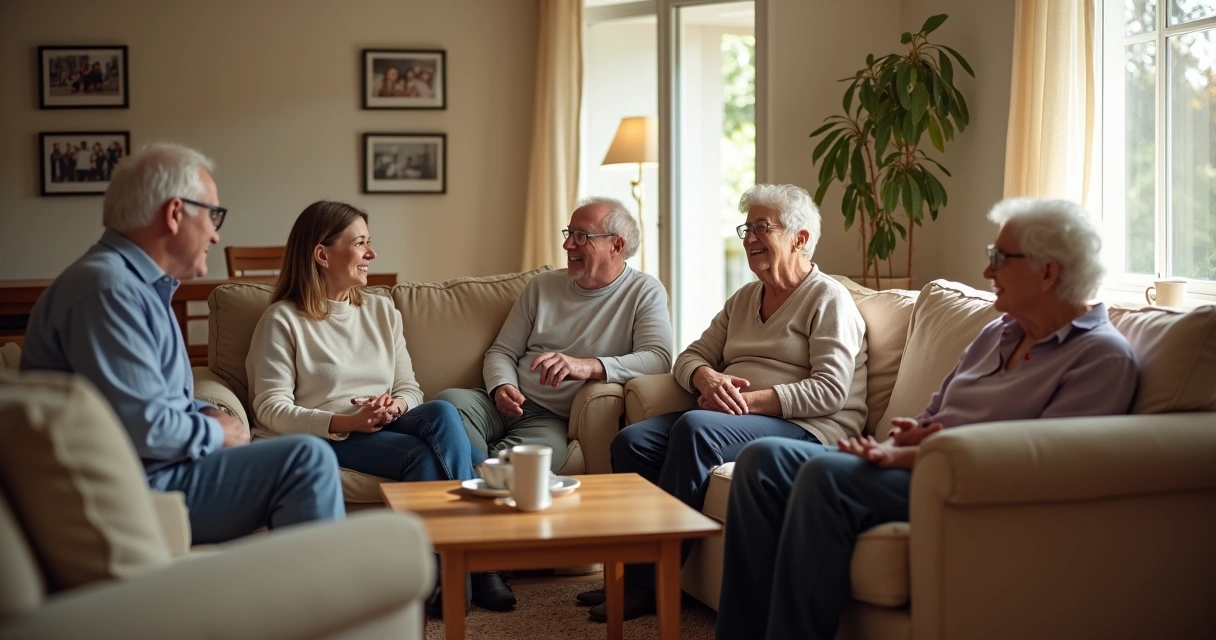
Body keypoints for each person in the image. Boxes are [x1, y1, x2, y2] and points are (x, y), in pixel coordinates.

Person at [715, 197, 1139, 640]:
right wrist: (902, 439)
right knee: (763, 461)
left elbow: (1047, 466)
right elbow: (938, 409)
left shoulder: (1100, 357)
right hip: (918, 462)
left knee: (825, 475)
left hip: (965, 485)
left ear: (1048, 272)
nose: (988, 272)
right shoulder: (999, 331)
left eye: (999, 259)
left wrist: (916, 455)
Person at [20, 143, 345, 544]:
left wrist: (207, 411)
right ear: (175, 213)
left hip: (155, 470)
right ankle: (324, 599)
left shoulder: (136, 288)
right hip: (139, 485)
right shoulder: (107, 291)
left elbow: (154, 399)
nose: (215, 234)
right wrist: (217, 433)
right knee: (306, 459)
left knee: (298, 457)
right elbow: (146, 427)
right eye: (212, 215)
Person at [583, 183, 869, 622]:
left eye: (762, 227)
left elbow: (830, 389)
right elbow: (690, 355)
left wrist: (746, 402)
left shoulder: (828, 299)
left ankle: (647, 583)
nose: (749, 238)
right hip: (735, 418)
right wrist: (706, 376)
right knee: (632, 441)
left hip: (807, 428)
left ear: (800, 238)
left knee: (698, 428)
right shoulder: (743, 299)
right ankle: (631, 570)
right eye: (746, 227)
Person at [244, 200, 515, 613]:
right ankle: (474, 569)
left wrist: (396, 404)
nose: (371, 254)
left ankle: (448, 575)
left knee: (442, 413)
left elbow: (410, 386)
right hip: (330, 434)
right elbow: (269, 407)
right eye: (360, 244)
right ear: (322, 254)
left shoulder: (380, 310)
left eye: (369, 243)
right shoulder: (282, 321)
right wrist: (345, 419)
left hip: (388, 423)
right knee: (424, 458)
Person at [436, 196, 673, 473]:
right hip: (499, 404)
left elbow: (658, 359)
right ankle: (477, 473)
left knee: (527, 464)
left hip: (549, 419)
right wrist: (502, 386)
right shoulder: (542, 286)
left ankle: (473, 473)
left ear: (616, 245)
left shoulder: (644, 291)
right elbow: (502, 351)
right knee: (447, 405)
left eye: (581, 236)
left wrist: (586, 366)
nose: (567, 244)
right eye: (569, 233)